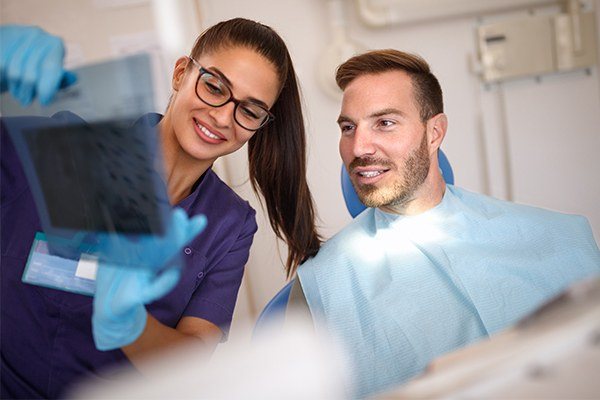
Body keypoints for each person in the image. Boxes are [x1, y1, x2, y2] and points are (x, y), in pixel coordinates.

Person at [1, 19, 321, 398]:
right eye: (214, 86)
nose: (222, 117)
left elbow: (191, 357)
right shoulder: (64, 149)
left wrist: (131, 325)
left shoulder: (230, 224)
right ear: (181, 73)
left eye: (249, 111)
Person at [295, 49, 600, 398]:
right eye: (348, 127)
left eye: (385, 123)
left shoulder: (558, 237)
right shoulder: (321, 285)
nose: (359, 147)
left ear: (435, 132)